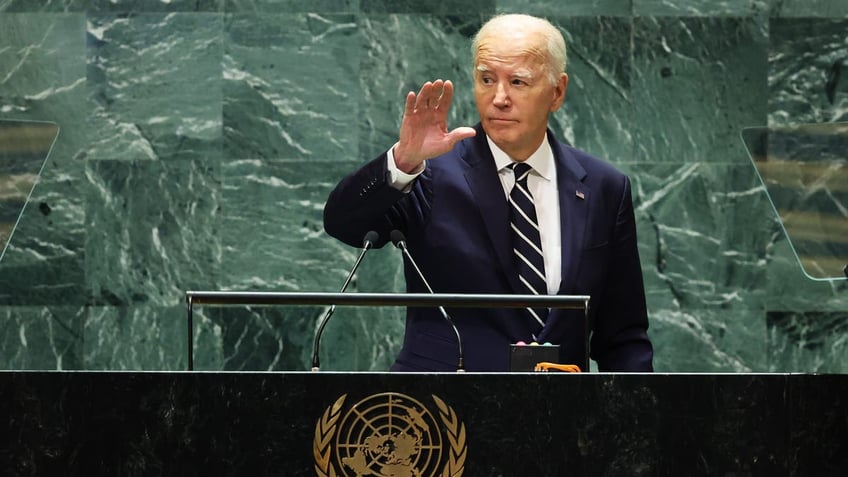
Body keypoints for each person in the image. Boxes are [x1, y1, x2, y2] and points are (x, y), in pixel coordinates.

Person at [323, 14, 653, 372]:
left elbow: (623, 337)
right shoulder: (428, 172)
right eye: (486, 79)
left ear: (557, 92)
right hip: (442, 414)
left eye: (517, 81)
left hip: (562, 415)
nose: (499, 98)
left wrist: (631, 422)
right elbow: (343, 223)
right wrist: (402, 160)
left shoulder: (604, 187)